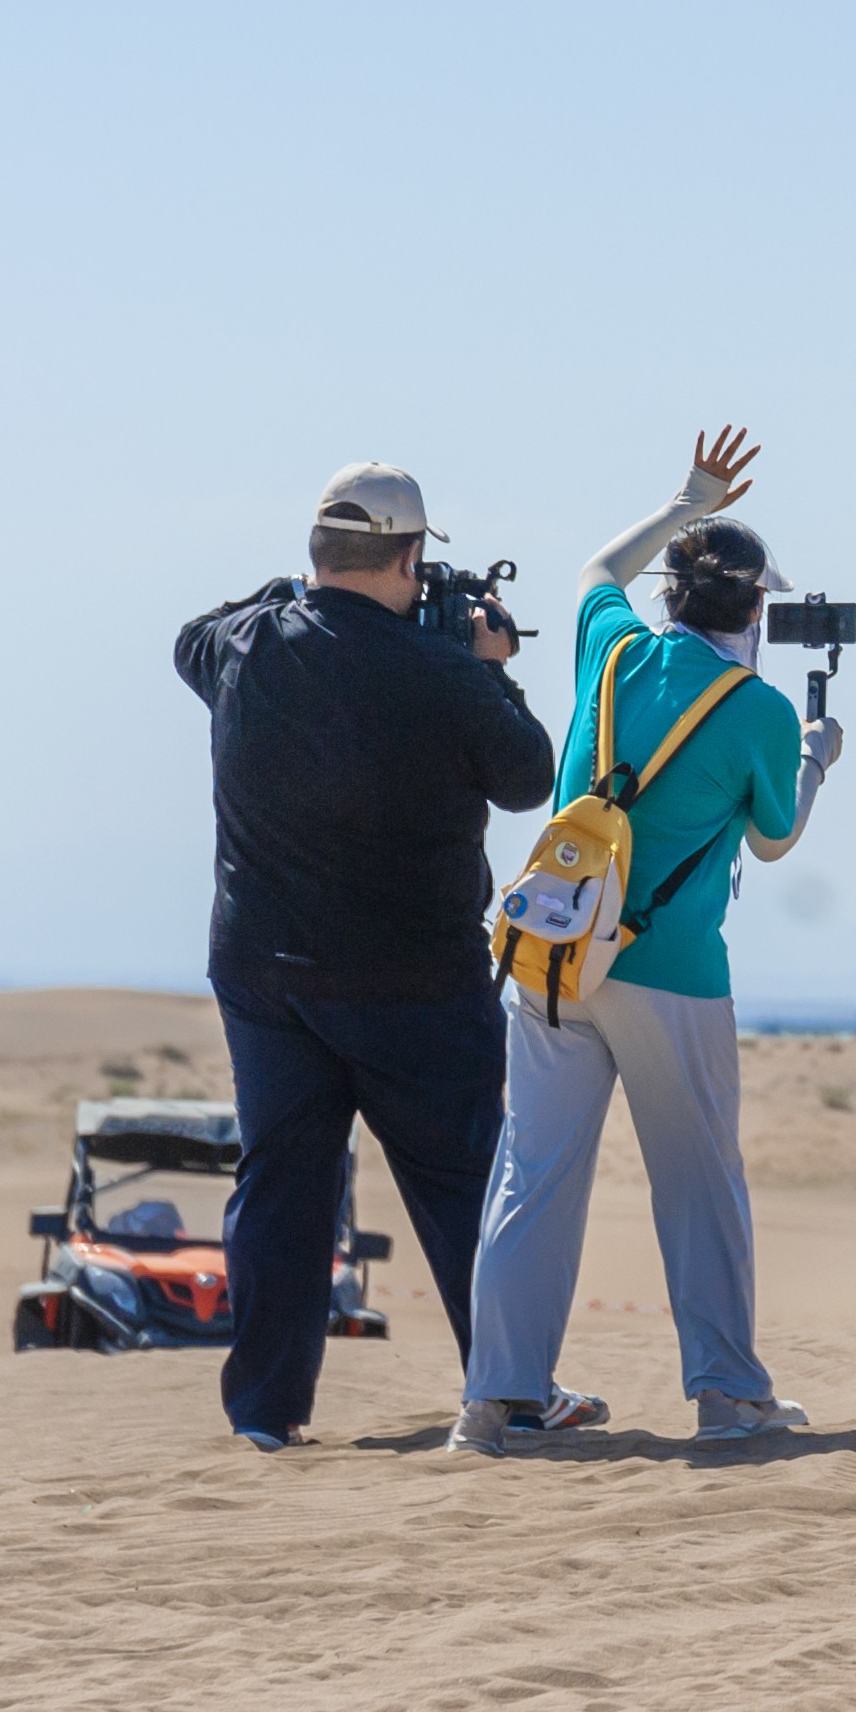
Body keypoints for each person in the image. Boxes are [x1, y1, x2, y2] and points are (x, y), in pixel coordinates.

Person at [455, 427, 841, 1454]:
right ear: (756, 609)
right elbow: (771, 838)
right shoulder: (757, 706)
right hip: (670, 968)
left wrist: (685, 500)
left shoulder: (615, 647)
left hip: (554, 952)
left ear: (675, 588)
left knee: (532, 1173)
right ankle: (726, 1392)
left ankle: (499, 1398)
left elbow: (594, 568)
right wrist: (813, 759)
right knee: (698, 1179)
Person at [175, 462, 556, 1452]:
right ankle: (508, 1388)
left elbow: (190, 639)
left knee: (283, 1185)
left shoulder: (247, 643)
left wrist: (280, 596)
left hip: (267, 972)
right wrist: (487, 661)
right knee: (465, 1180)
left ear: (317, 552)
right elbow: (529, 775)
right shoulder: (442, 673)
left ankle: (264, 1412)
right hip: (413, 981)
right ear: (408, 555)